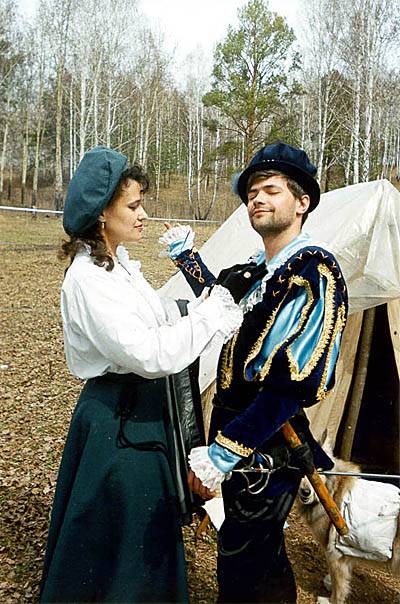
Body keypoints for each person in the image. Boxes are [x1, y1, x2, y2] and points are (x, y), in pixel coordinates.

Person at [39, 146, 247, 603]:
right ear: (101, 214)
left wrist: (203, 293)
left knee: (140, 540)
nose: (144, 214)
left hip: (143, 416)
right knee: (121, 542)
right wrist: (211, 313)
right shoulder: (89, 279)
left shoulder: (118, 269)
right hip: (118, 422)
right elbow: (150, 353)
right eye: (133, 206)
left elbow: (162, 322)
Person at [161, 142, 348, 603]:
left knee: (244, 561)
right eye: (250, 194)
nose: (256, 199)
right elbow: (224, 307)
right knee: (256, 554)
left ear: (302, 202)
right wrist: (187, 260)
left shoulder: (313, 272)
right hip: (238, 433)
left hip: (266, 440)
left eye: (270, 190)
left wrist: (223, 454)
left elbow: (295, 384)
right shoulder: (254, 271)